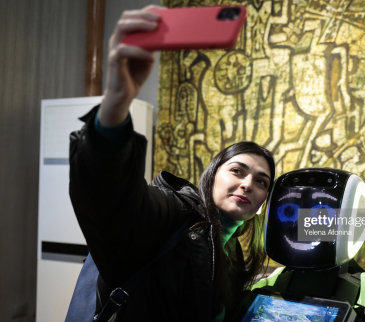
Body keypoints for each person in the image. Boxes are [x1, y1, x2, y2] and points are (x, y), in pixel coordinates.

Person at [69, 5, 276, 322]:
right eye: (237, 170)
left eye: (261, 181)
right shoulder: (174, 214)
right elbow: (111, 192)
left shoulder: (233, 251)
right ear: (212, 176)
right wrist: (115, 103)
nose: (248, 183)